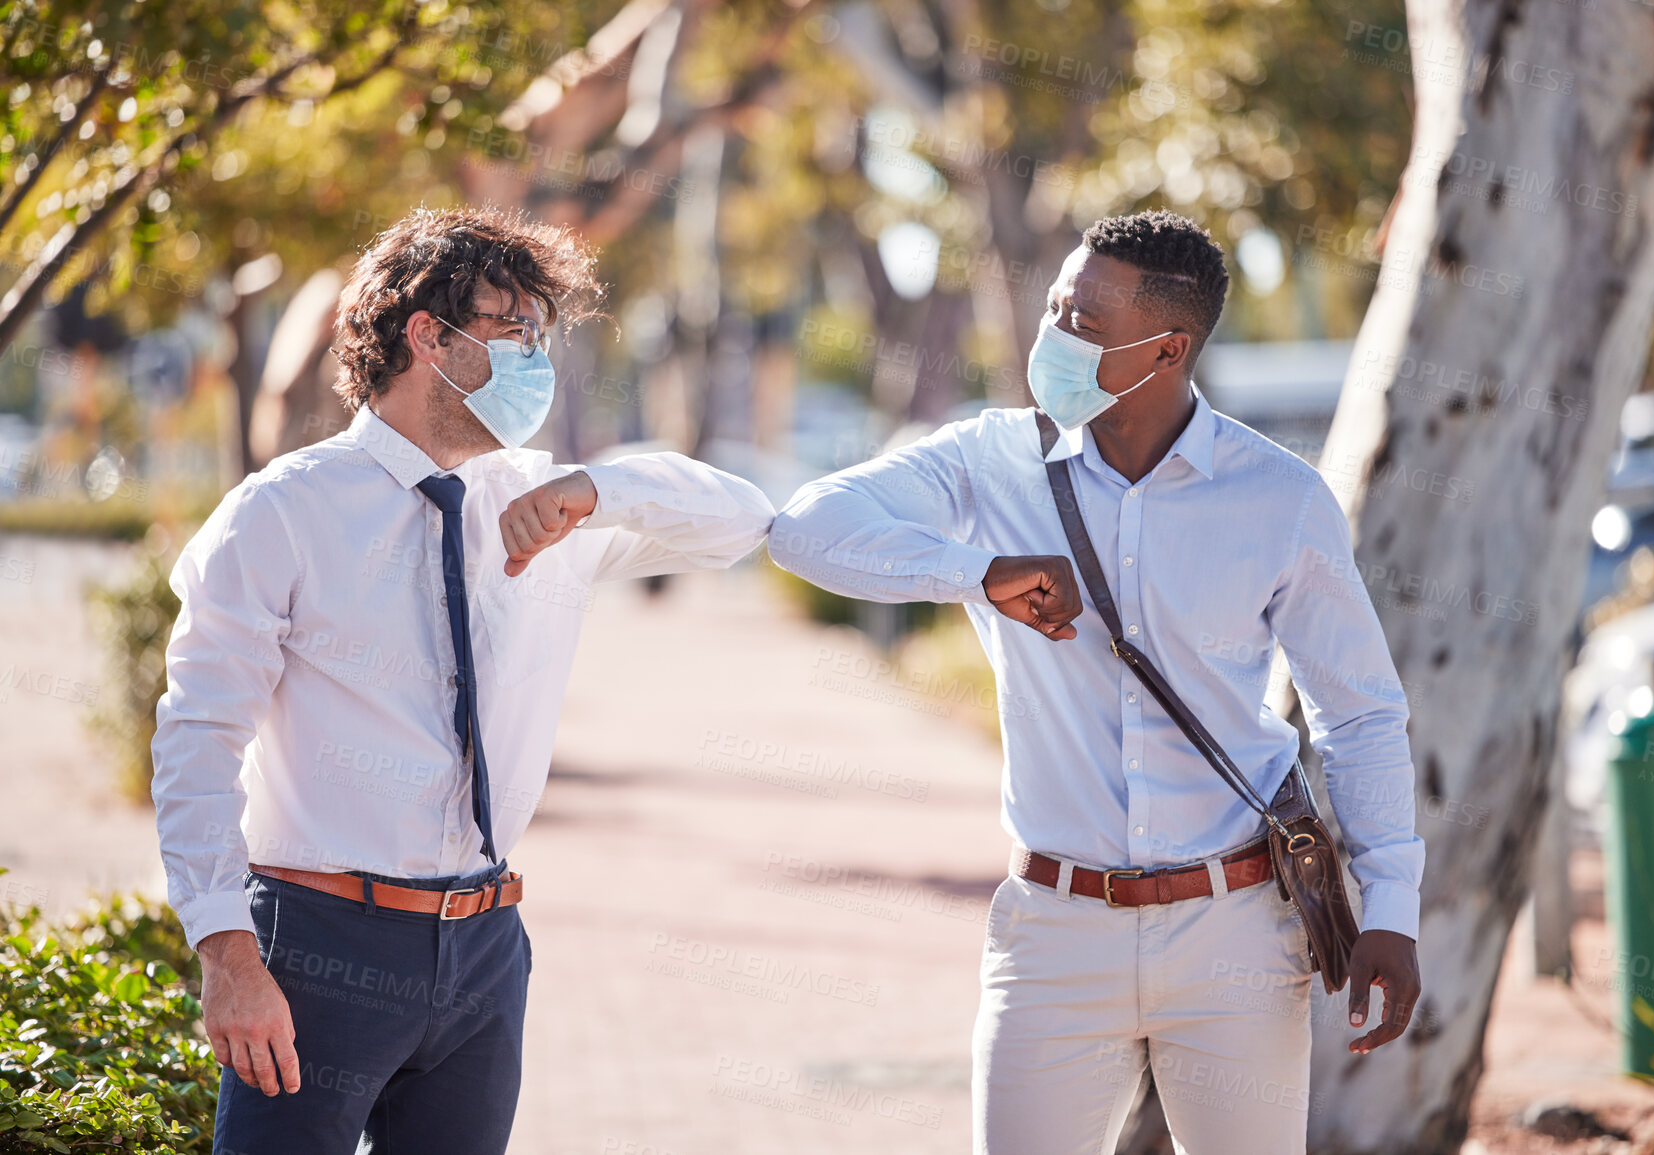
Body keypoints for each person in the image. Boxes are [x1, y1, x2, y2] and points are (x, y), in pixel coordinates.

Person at [767, 209, 1424, 1155]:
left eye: (1081, 321)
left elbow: (1358, 713)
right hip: (1052, 933)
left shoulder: (1279, 497)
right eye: (1053, 308)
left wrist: (1391, 908)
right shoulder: (986, 460)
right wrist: (978, 572)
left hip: (1236, 932)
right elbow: (804, 528)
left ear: (1167, 348)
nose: (1053, 336)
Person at [150, 205, 775, 1155]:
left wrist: (598, 490)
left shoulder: (543, 504)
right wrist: (226, 953)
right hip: (317, 944)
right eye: (511, 329)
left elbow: (744, 521)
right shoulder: (281, 512)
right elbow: (197, 737)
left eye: (540, 336)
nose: (534, 358)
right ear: (427, 335)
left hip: (485, 949)